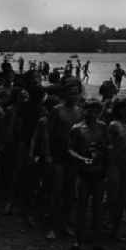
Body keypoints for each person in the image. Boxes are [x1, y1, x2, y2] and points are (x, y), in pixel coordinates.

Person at [68, 99, 108, 250]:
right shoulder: (77, 128)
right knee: (81, 208)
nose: (93, 114)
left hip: (98, 172)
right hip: (83, 173)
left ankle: (97, 242)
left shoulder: (102, 127)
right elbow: (70, 149)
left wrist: (103, 154)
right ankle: (77, 241)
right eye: (90, 110)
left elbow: (106, 146)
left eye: (96, 110)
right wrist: (81, 159)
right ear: (84, 110)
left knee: (98, 209)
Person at [43, 78, 83, 240]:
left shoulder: (80, 111)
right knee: (56, 191)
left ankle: (66, 224)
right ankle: (52, 226)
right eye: (70, 93)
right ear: (65, 93)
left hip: (73, 156)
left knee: (70, 192)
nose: (73, 96)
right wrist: (47, 154)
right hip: (58, 154)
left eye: (76, 93)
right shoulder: (56, 110)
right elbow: (47, 134)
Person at [107, 97, 126, 239]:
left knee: (123, 197)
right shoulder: (114, 124)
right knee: (114, 198)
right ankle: (111, 226)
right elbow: (108, 145)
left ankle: (116, 228)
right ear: (121, 110)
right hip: (115, 165)